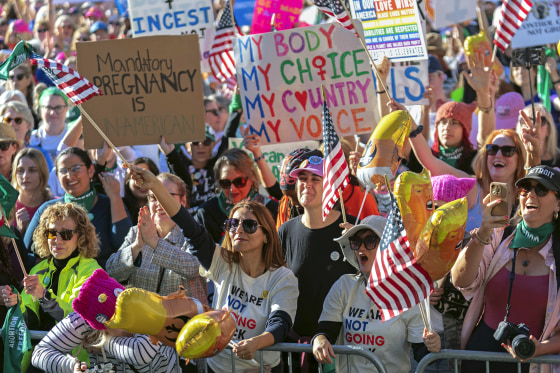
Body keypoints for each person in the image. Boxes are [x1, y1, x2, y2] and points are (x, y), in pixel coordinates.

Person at [127, 164, 298, 373]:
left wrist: (255, 344)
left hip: (262, 369)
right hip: (218, 369)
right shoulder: (223, 262)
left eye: (249, 225)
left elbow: (280, 323)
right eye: (233, 224)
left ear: (267, 236)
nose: (239, 230)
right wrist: (154, 184)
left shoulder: (283, 278)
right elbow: (190, 226)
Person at [452, 165, 560, 372]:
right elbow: (460, 281)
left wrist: (539, 348)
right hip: (480, 356)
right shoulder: (498, 235)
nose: (530, 194)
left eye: (541, 190)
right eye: (525, 188)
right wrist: (483, 232)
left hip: (531, 361)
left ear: (558, 204)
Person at [312, 216, 441, 372]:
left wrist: (432, 345)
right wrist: (319, 340)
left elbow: (422, 352)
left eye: (371, 240)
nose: (361, 248)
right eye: (356, 241)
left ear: (388, 248)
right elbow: (326, 332)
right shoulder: (343, 286)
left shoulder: (409, 294)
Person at [278, 156, 356, 372]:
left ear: (331, 185)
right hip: (296, 350)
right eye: (302, 178)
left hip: (342, 350)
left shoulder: (353, 229)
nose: (307, 184)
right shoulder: (286, 231)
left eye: (316, 178)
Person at [31, 269, 178, 373]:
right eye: (120, 320)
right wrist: (71, 366)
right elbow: (39, 354)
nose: (130, 322)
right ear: (100, 325)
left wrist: (102, 340)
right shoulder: (86, 318)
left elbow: (141, 353)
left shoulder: (148, 311)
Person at [106, 172, 207, 303]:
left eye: (166, 196)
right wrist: (136, 247)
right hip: (142, 319)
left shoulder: (194, 233)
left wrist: (154, 242)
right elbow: (111, 271)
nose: (159, 203)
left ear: (183, 201)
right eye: (154, 197)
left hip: (184, 321)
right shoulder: (136, 232)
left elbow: (194, 268)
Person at [24, 147, 132, 268]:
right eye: (63, 171)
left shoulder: (110, 203)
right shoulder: (48, 209)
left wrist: (115, 197)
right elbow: (25, 254)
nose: (70, 175)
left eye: (76, 168)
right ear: (57, 175)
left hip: (101, 281)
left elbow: (125, 246)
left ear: (90, 170)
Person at [2, 203, 101, 332]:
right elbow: (29, 324)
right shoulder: (37, 270)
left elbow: (78, 320)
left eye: (66, 234)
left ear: (81, 236)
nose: (57, 240)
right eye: (52, 233)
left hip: (72, 351)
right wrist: (15, 303)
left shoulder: (92, 272)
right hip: (38, 349)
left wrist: (44, 296)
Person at [195, 148, 279, 243]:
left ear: (252, 179)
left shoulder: (271, 209)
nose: (232, 189)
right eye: (225, 182)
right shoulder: (206, 213)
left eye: (239, 182)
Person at [11, 148, 52, 237]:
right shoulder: (6, 208)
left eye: (32, 170)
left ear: (42, 173)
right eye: (20, 170)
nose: (25, 176)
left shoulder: (54, 204)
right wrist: (19, 232)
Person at [0, 101, 52, 169]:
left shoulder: (40, 154)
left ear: (28, 125)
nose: (12, 123)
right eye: (8, 120)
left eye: (18, 120)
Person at [29, 87, 71, 163]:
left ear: (67, 108)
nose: (52, 113)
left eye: (58, 108)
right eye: (48, 107)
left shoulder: (75, 135)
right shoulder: (31, 138)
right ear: (40, 109)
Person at [516, 104, 560, 168]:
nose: (532, 127)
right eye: (524, 121)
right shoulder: (511, 157)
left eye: (539, 121)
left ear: (549, 129)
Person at [122, 157, 159, 225]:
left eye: (145, 177)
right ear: (128, 180)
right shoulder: (120, 206)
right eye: (136, 177)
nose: (141, 183)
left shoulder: (162, 209)